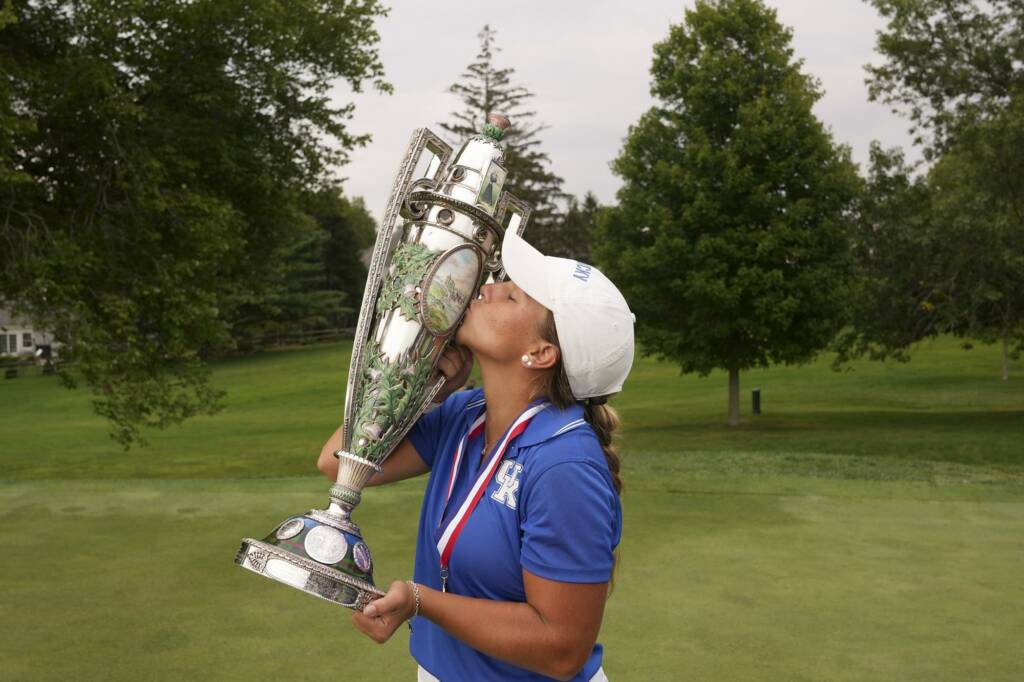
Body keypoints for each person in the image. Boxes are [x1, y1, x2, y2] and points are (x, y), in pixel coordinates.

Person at [317, 228, 635, 681]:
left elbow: (561, 649)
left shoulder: (565, 465)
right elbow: (337, 462)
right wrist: (425, 389)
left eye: (511, 296)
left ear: (541, 352)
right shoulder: (464, 413)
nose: (486, 288)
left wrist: (420, 600)